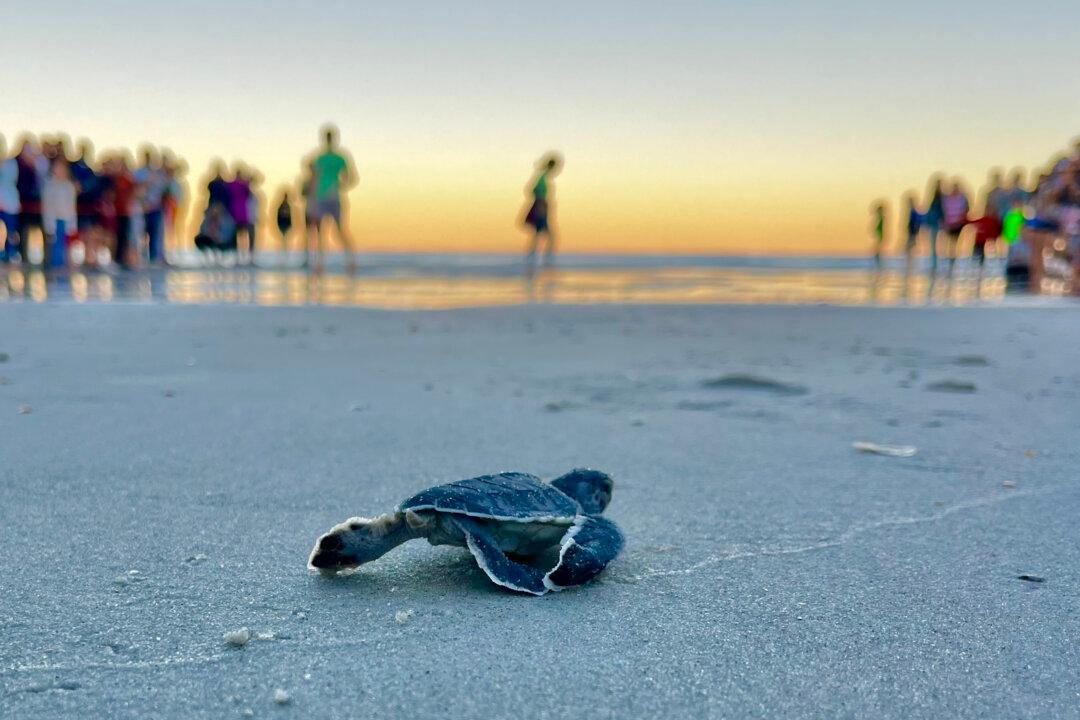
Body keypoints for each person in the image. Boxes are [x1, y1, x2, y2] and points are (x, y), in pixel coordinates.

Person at [309, 125, 358, 273]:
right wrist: (313, 200)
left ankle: (350, 262)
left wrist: (339, 186)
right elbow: (315, 179)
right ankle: (320, 265)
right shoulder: (320, 158)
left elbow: (352, 178)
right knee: (320, 232)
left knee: (339, 230)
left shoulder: (339, 157)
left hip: (332, 197)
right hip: (321, 197)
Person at [523, 153, 561, 269]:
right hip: (540, 207)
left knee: (539, 234)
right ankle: (546, 259)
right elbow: (533, 191)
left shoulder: (543, 177)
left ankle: (533, 257)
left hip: (541, 206)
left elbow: (531, 190)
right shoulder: (543, 178)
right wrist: (541, 205)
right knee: (548, 235)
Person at [42, 159, 77, 269]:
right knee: (53, 245)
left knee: (64, 245)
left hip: (65, 220)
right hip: (53, 220)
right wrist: (48, 223)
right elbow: (47, 206)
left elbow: (72, 206)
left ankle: (63, 266)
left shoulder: (69, 186)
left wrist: (72, 223)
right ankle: (53, 266)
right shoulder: (49, 186)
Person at [135, 147, 167, 264]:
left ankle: (155, 258)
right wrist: (143, 203)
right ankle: (142, 257)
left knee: (156, 234)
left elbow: (162, 190)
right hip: (142, 208)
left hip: (156, 207)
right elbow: (137, 190)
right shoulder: (138, 173)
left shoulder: (158, 173)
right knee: (141, 233)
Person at [16, 138, 43, 263]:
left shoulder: (35, 165)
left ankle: (35, 256)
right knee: (22, 230)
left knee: (35, 230)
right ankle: (23, 256)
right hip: (22, 203)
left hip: (34, 203)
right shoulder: (18, 164)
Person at [941, 180, 970, 276]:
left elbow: (966, 209)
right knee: (950, 242)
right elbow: (944, 211)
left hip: (958, 224)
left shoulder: (962, 198)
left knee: (955, 242)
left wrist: (962, 220)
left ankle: (953, 260)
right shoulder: (946, 198)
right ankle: (950, 259)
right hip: (949, 224)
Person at [0, 134, 20, 262]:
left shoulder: (11, 163)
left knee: (11, 230)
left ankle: (12, 253)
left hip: (10, 202)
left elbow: (12, 179)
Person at [923, 176, 944, 274]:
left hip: (937, 223)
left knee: (936, 245)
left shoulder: (941, 197)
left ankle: (936, 264)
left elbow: (941, 211)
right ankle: (934, 264)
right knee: (934, 245)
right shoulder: (936, 197)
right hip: (935, 223)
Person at [902, 192, 922, 271]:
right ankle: (910, 262)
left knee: (909, 247)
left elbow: (916, 223)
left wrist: (916, 231)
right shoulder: (912, 211)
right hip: (911, 232)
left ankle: (910, 262)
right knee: (909, 247)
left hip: (912, 232)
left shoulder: (913, 211)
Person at [275, 189, 293, 262]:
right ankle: (282, 254)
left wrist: (290, 224)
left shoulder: (287, 206)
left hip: (286, 224)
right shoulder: (282, 205)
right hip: (282, 224)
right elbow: (278, 216)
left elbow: (290, 216)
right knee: (283, 239)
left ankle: (285, 254)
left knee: (285, 239)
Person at [870, 200, 886, 268]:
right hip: (879, 235)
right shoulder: (880, 217)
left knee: (878, 249)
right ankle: (878, 263)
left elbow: (879, 227)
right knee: (877, 249)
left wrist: (876, 232)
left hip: (880, 235)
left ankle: (878, 263)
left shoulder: (881, 217)